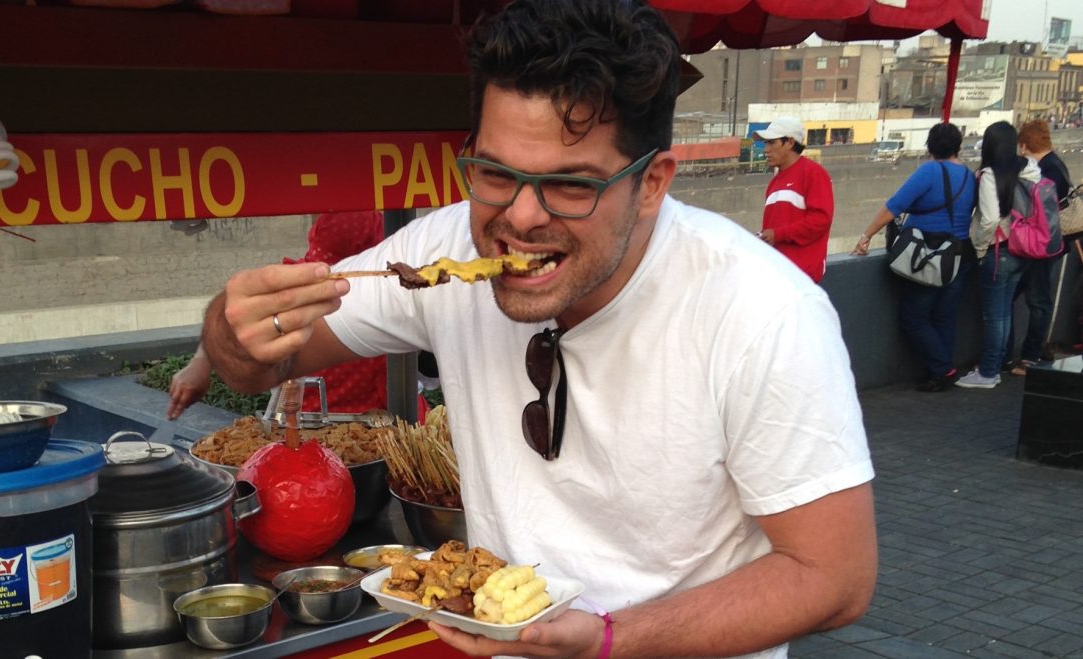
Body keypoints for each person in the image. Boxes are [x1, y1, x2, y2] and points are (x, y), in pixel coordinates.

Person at [201, 2, 877, 657]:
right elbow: (262, 364)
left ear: (651, 184)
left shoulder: (762, 312)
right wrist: (233, 332)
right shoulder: (447, 252)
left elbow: (834, 577)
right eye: (496, 172)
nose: (521, 216)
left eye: (571, 184)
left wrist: (609, 639)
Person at [166, 211, 388, 420]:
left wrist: (200, 364)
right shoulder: (291, 285)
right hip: (303, 420)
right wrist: (200, 363)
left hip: (380, 421)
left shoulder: (388, 292)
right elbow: (236, 318)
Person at [852, 123, 976, 392]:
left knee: (914, 318)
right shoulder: (969, 175)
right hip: (959, 254)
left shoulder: (929, 171)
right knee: (944, 316)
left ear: (930, 146)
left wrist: (866, 236)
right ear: (957, 146)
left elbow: (893, 207)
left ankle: (943, 369)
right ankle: (941, 370)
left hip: (928, 254)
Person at [956, 121, 1042, 389]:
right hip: (1024, 249)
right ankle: (996, 366)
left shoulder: (991, 175)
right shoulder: (1030, 169)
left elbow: (990, 219)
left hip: (998, 251)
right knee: (1004, 313)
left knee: (994, 317)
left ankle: (988, 372)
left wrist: (981, 247)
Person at [1006, 119, 1070, 375]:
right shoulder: (1056, 165)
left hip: (1040, 247)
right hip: (1049, 245)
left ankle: (1029, 356)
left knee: (1036, 300)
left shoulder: (1046, 170)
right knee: (1035, 300)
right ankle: (1028, 352)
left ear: (1024, 145)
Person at [753, 116, 835, 282]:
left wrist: (778, 234)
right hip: (778, 274)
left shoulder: (813, 173)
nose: (766, 149)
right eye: (766, 143)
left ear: (790, 142)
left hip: (801, 277)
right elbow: (773, 229)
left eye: (772, 143)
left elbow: (821, 220)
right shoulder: (775, 182)